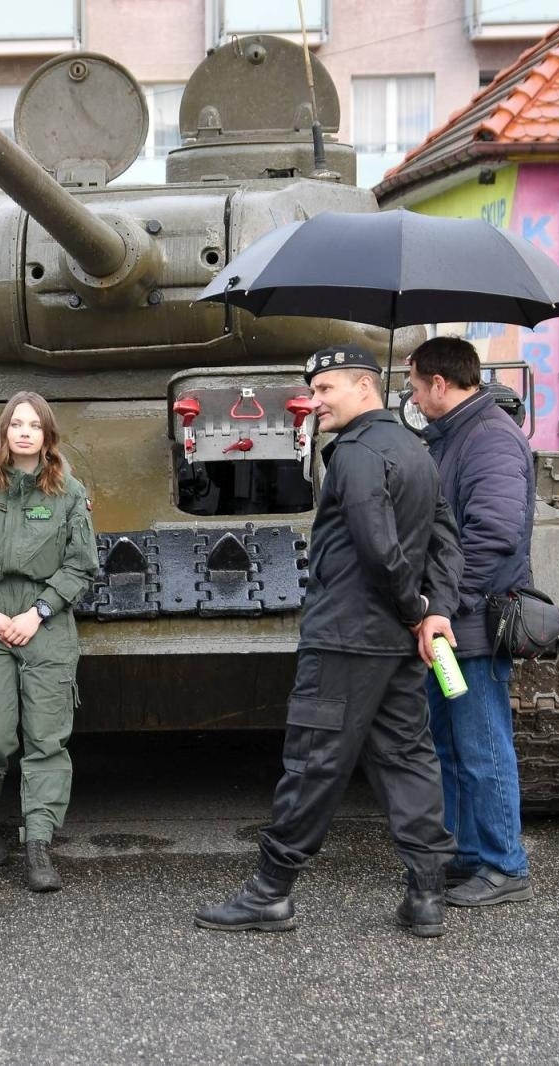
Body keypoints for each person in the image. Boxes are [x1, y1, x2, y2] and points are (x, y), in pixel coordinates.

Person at [194, 345, 464, 938]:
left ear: (363, 388)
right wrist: (433, 610)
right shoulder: (416, 451)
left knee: (313, 762)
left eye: (324, 391)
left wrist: (413, 603)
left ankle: (270, 892)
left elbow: (376, 543)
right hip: (396, 644)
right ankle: (426, 895)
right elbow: (445, 537)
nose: (312, 403)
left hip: (345, 637)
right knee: (408, 759)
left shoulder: (359, 454)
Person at [0, 391, 99, 893]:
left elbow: (82, 564)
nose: (25, 432)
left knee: (47, 739)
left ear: (48, 436)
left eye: (35, 425)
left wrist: (39, 611)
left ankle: (39, 844)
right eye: (16, 424)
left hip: (46, 619)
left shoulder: (68, 492)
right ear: (4, 432)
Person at [406, 336, 535, 906]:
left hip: (473, 625)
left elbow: (493, 534)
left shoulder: (489, 440)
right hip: (455, 625)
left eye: (414, 386)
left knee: (483, 746)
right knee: (452, 745)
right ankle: (467, 854)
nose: (411, 397)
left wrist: (441, 603)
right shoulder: (456, 436)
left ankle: (505, 865)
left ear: (440, 384)